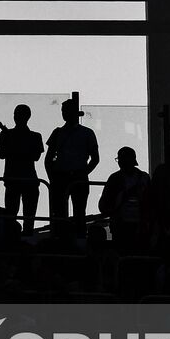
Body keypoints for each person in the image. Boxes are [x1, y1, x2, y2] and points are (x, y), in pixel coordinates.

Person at [44, 99, 99, 241]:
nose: (64, 114)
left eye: (66, 111)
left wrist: (52, 178)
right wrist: (83, 173)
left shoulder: (59, 133)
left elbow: (48, 160)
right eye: (63, 111)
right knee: (75, 211)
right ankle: (77, 239)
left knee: (65, 212)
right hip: (73, 176)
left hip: (65, 176)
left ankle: (63, 239)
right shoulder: (86, 133)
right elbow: (95, 159)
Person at [0, 105, 43, 236]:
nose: (16, 117)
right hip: (25, 179)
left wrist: (11, 140)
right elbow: (34, 156)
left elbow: (35, 156)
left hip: (16, 179)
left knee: (16, 215)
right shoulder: (34, 136)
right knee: (23, 216)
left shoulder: (8, 134)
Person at [98, 147, 151, 253]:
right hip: (128, 224)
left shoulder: (115, 178)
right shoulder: (143, 177)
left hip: (129, 224)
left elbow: (104, 205)